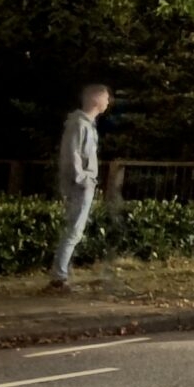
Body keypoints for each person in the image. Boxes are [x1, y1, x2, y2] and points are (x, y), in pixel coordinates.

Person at [46, 84, 109, 292]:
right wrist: (83, 179)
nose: (108, 102)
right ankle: (59, 277)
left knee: (75, 230)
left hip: (83, 184)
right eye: (105, 98)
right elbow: (72, 155)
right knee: (73, 230)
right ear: (95, 100)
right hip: (79, 186)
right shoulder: (79, 125)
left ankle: (60, 275)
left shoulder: (86, 125)